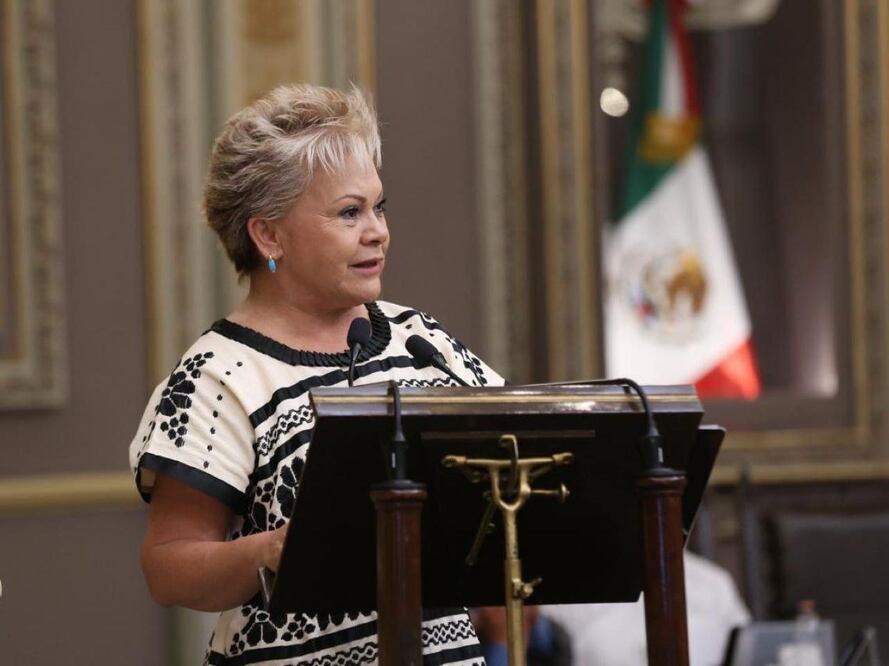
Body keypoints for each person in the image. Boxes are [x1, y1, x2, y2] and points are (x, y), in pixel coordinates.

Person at [129, 83, 504, 665]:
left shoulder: (419, 339)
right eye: (349, 212)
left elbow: (516, 443)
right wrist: (281, 548)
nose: (376, 229)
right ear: (269, 234)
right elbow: (170, 569)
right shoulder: (218, 374)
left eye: (378, 207)